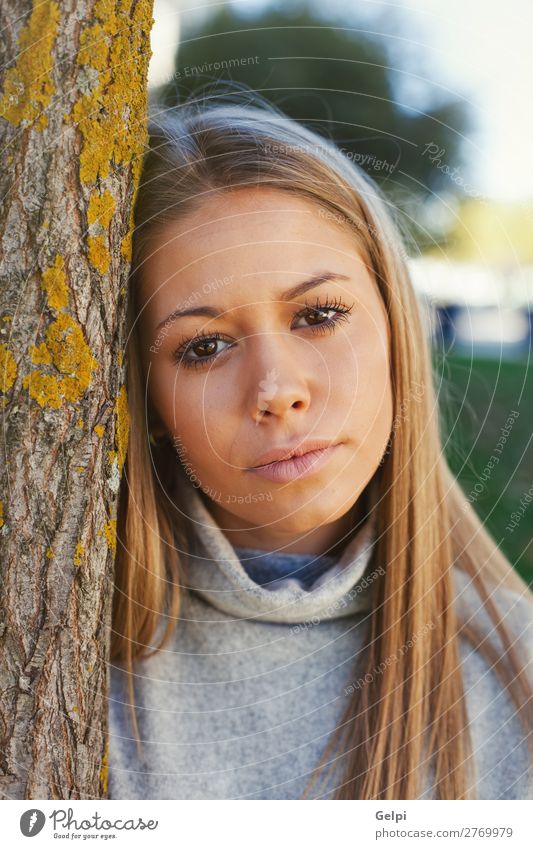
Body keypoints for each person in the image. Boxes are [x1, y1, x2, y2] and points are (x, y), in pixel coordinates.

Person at [107, 90, 533, 800]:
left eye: (318, 314)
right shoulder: (54, 654)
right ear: (145, 399)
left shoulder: (513, 672)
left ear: (396, 324)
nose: (277, 388)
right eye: (204, 345)